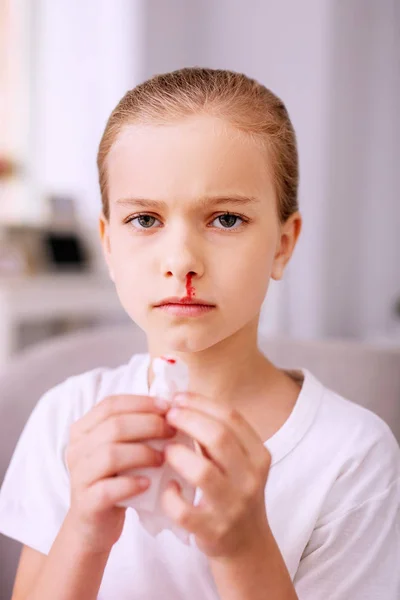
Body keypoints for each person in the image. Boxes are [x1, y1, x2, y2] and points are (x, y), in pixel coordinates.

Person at [0, 67, 399, 600]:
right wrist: (84, 532)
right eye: (144, 220)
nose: (181, 260)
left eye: (226, 219)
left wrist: (243, 548)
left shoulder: (352, 455)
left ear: (283, 244)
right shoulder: (66, 418)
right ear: (109, 245)